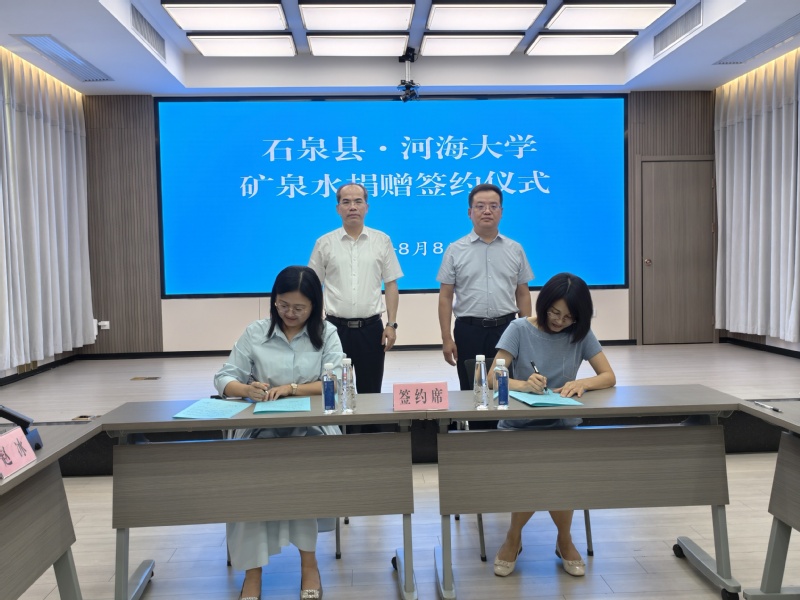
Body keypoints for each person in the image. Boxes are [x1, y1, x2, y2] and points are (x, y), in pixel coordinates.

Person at [213, 265, 343, 600]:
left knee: (301, 475)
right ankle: (252, 574)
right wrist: (246, 389)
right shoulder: (256, 332)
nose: (289, 313)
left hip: (311, 430)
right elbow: (223, 378)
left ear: (314, 306)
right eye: (283, 305)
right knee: (247, 480)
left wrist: (292, 389)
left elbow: (337, 381)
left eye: (299, 308)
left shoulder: (326, 333)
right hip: (260, 430)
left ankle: (309, 565)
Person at [487, 272, 616, 579]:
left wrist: (582, 383)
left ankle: (562, 538)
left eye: (569, 317)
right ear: (544, 304)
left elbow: (608, 376)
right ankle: (516, 537)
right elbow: (492, 377)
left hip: (562, 425)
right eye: (555, 313)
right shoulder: (519, 329)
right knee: (536, 472)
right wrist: (523, 384)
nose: (560, 321)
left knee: (559, 470)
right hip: (520, 426)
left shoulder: (580, 334)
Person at [437, 183, 534, 391]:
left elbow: (523, 293)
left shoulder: (515, 249)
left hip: (507, 329)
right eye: (480, 206)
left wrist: (527, 333)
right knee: (472, 389)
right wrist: (446, 338)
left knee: (507, 389)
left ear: (501, 211)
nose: (487, 211)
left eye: (493, 206)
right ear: (470, 212)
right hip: (469, 331)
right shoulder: (455, 250)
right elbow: (445, 296)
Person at [309, 182, 403, 393]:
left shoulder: (382, 240)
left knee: (371, 391)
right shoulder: (324, 243)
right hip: (334, 329)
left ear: (366, 207)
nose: (352, 207)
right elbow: (312, 287)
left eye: (358, 201)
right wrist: (314, 325)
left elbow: (390, 284)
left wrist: (391, 324)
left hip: (371, 329)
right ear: (338, 208)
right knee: (333, 390)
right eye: (346, 202)